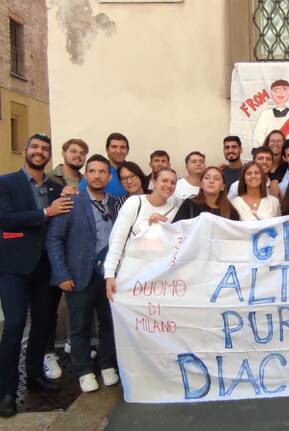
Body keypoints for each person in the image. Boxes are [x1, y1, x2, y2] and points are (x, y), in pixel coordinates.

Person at [0, 134, 73, 417]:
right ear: (26, 152)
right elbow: (5, 218)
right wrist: (45, 212)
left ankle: (34, 376)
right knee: (15, 326)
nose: (40, 152)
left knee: (43, 324)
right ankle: (6, 390)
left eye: (45, 149)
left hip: (47, 268)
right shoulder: (7, 182)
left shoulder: (57, 187)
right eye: (35, 148)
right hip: (14, 267)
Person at [47, 154, 119, 393]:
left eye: (102, 172)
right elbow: (55, 238)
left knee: (109, 323)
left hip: (108, 276)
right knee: (80, 326)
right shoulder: (71, 200)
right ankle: (84, 370)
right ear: (86, 175)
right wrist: (61, 274)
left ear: (109, 176)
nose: (97, 176)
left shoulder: (115, 204)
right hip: (78, 274)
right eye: (93, 171)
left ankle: (107, 364)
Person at [44, 137, 90, 379]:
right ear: (63, 153)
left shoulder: (85, 182)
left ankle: (75, 343)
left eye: (82, 153)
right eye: (74, 151)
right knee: (49, 307)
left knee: (79, 305)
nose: (78, 156)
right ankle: (48, 352)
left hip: (78, 253)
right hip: (53, 249)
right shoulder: (50, 179)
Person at [105, 168, 180, 301]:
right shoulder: (134, 202)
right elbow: (117, 240)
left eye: (173, 183)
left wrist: (165, 223)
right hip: (127, 274)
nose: (169, 185)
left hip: (156, 280)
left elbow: (175, 244)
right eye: (164, 180)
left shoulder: (175, 211)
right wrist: (110, 274)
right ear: (153, 181)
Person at [252, 79, 289, 149]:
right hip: (270, 157)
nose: (280, 93)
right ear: (272, 93)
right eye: (276, 90)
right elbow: (258, 141)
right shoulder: (265, 114)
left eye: (284, 89)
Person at [173, 167, 240, 222]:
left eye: (216, 179)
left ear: (222, 187)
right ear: (201, 184)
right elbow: (176, 230)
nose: (211, 181)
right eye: (207, 178)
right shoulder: (189, 204)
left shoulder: (231, 211)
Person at [79, 132, 129, 197]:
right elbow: (80, 195)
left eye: (122, 147)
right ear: (107, 150)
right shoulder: (96, 171)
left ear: (127, 151)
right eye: (114, 147)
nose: (118, 151)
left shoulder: (133, 171)